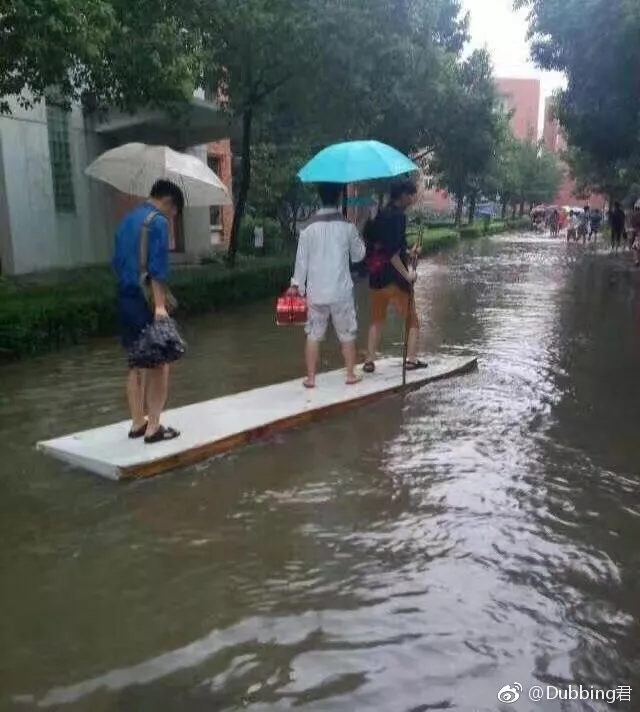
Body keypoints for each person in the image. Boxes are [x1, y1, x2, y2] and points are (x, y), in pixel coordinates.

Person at [112, 179, 184, 444]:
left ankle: (137, 423)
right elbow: (157, 269)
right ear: (169, 202)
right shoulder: (158, 222)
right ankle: (154, 427)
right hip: (146, 301)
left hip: (125, 296)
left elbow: (116, 263)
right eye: (175, 212)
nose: (172, 217)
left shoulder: (126, 221)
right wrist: (160, 307)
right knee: (160, 362)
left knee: (135, 362)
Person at [289, 182, 366, 388]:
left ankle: (311, 378)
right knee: (347, 333)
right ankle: (350, 374)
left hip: (316, 292)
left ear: (320, 197)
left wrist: (296, 286)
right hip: (341, 292)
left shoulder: (307, 229)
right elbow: (359, 256)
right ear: (339, 198)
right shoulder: (347, 227)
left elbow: (301, 264)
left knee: (313, 334)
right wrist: (358, 229)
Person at [362, 180, 427, 373]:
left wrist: (409, 252)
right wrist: (407, 274)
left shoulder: (380, 214)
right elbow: (391, 253)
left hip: (376, 278)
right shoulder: (398, 217)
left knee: (377, 319)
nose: (413, 198)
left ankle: (369, 360)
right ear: (404, 195)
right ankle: (411, 360)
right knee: (412, 320)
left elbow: (391, 246)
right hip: (395, 279)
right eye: (412, 194)